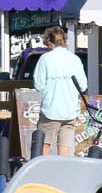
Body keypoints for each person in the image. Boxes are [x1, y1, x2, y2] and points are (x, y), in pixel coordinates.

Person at [33, 26, 88, 156]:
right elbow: (83, 86)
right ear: (64, 40)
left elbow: (39, 85)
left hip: (51, 110)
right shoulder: (74, 59)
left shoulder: (45, 59)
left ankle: (44, 174)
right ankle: (62, 175)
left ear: (49, 42)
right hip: (70, 110)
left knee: (44, 146)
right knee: (64, 150)